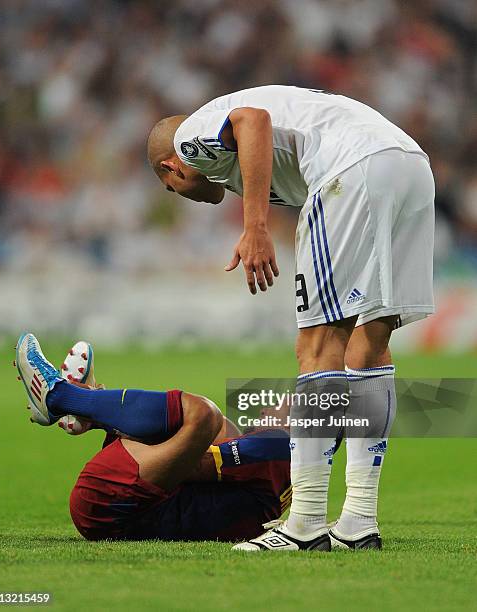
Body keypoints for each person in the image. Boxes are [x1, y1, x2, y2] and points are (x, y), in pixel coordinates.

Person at [147, 86, 435, 550]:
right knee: (370, 344)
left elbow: (253, 120)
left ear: (171, 168)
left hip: (352, 166)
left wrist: (254, 226)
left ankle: (304, 523)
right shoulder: (250, 162)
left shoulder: (186, 140)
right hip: (410, 165)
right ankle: (360, 521)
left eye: (171, 188)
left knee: (318, 348)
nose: (180, 194)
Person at [14, 333, 294, 544]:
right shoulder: (286, 477)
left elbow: (191, 464)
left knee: (204, 414)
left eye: (282, 405)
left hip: (107, 501)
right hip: (122, 517)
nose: (265, 408)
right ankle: (87, 406)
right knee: (220, 427)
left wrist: (113, 418)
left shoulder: (278, 444)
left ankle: (62, 397)